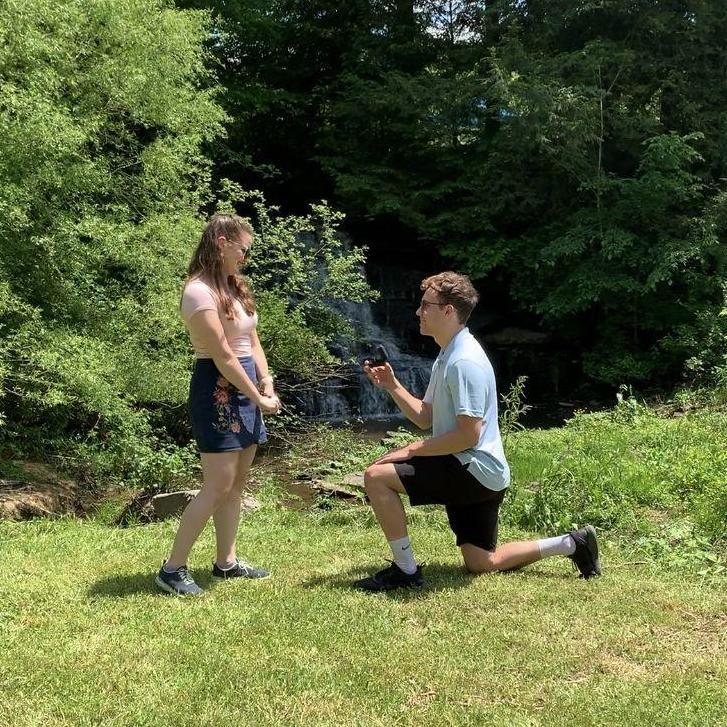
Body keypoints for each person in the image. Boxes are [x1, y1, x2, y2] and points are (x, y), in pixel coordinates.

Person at [356, 271, 601, 591]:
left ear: (448, 311)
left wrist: (412, 450)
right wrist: (392, 385)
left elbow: (468, 435)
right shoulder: (447, 354)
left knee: (375, 476)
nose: (418, 312)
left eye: (425, 305)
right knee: (481, 562)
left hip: (471, 470)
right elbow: (425, 416)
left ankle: (406, 571)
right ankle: (573, 543)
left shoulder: (464, 361)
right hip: (482, 472)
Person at [156, 214, 281, 596]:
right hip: (218, 386)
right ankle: (172, 569)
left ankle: (226, 562)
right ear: (223, 241)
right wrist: (257, 396)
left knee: (238, 481)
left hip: (245, 382)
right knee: (218, 484)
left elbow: (251, 340)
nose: (246, 256)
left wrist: (267, 379)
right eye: (243, 248)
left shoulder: (234, 286)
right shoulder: (198, 291)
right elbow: (223, 355)